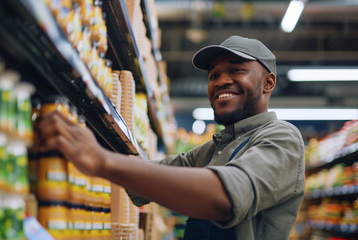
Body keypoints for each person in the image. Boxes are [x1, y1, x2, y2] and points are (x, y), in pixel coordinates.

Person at [38, 35, 305, 240]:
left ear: (268, 83)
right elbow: (149, 174)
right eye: (214, 75)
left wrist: (103, 161)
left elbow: (226, 196)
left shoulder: (282, 138)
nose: (221, 81)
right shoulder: (214, 149)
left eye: (236, 70)